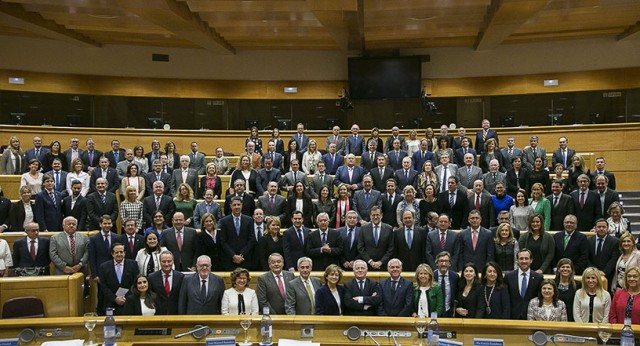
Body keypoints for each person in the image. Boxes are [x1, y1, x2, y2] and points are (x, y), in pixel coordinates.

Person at [98, 243, 140, 315]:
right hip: (110, 302)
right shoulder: (104, 267)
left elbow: (135, 283)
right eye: (116, 252)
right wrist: (115, 298)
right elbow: (103, 286)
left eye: (121, 252)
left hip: (128, 301)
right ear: (112, 254)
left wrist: (126, 297)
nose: (119, 254)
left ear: (125, 253)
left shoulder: (133, 265)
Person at [505, 248, 544, 319]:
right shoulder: (509, 276)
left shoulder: (538, 277)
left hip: (531, 316)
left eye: (526, 258)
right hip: (512, 316)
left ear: (531, 260)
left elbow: (540, 298)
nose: (524, 261)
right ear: (517, 260)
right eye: (521, 258)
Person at [218, 197, 255, 270]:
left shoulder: (249, 220)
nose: (237, 207)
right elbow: (223, 241)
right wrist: (233, 255)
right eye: (234, 205)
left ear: (242, 205)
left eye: (238, 204)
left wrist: (241, 255)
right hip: (230, 259)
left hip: (245, 258)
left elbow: (251, 239)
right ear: (230, 206)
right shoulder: (224, 221)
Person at [147, 251, 184, 315]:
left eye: (169, 261)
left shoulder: (180, 277)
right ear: (160, 262)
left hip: (176, 313)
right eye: (164, 261)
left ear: (173, 262)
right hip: (158, 314)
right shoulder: (152, 277)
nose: (166, 264)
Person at [357, 207, 394, 271]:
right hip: (367, 266)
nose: (375, 217)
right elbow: (360, 248)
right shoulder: (363, 229)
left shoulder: (389, 229)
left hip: (384, 266)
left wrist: (381, 262)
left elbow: (391, 248)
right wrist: (370, 262)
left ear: (381, 215)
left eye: (377, 215)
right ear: (370, 216)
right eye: (373, 215)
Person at [588, 219, 620, 288]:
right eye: (599, 227)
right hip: (591, 275)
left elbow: (614, 259)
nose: (601, 229)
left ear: (607, 228)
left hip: (608, 275)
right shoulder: (588, 240)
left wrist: (604, 272)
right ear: (595, 228)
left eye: (603, 227)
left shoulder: (615, 242)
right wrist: (593, 271)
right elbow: (586, 258)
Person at [433, 251, 459, 317]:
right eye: (441, 261)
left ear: (450, 264)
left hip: (449, 312)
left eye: (446, 261)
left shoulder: (455, 276)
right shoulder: (432, 276)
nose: (444, 264)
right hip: (434, 311)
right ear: (437, 263)